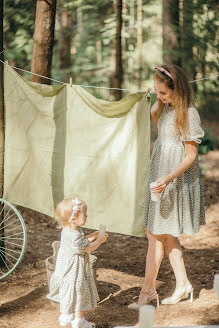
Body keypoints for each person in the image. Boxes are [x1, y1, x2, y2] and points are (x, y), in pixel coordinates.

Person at [129, 64, 205, 309]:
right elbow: (163, 142)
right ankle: (183, 285)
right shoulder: (160, 110)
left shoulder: (189, 114)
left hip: (175, 180)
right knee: (166, 234)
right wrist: (157, 103)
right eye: (156, 91)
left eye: (163, 93)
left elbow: (190, 155)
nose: (159, 97)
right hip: (159, 175)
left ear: (177, 89)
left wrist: (168, 179)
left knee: (155, 234)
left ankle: (147, 292)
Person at [47, 197, 108, 328]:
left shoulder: (70, 229)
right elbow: (87, 248)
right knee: (80, 292)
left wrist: (92, 236)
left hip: (67, 270)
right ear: (73, 219)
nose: (87, 216)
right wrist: (100, 241)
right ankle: (79, 320)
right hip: (74, 272)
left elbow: (82, 241)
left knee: (70, 292)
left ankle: (66, 315)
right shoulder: (74, 235)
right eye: (85, 214)